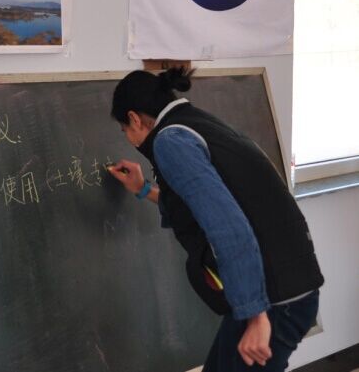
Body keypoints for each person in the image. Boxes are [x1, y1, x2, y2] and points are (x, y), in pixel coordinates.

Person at [107, 67, 323, 372]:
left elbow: (228, 228)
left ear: (134, 118)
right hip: (289, 289)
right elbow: (203, 201)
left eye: (124, 130)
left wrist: (255, 315)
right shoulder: (195, 124)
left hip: (274, 300)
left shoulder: (170, 141)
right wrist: (143, 189)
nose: (129, 139)